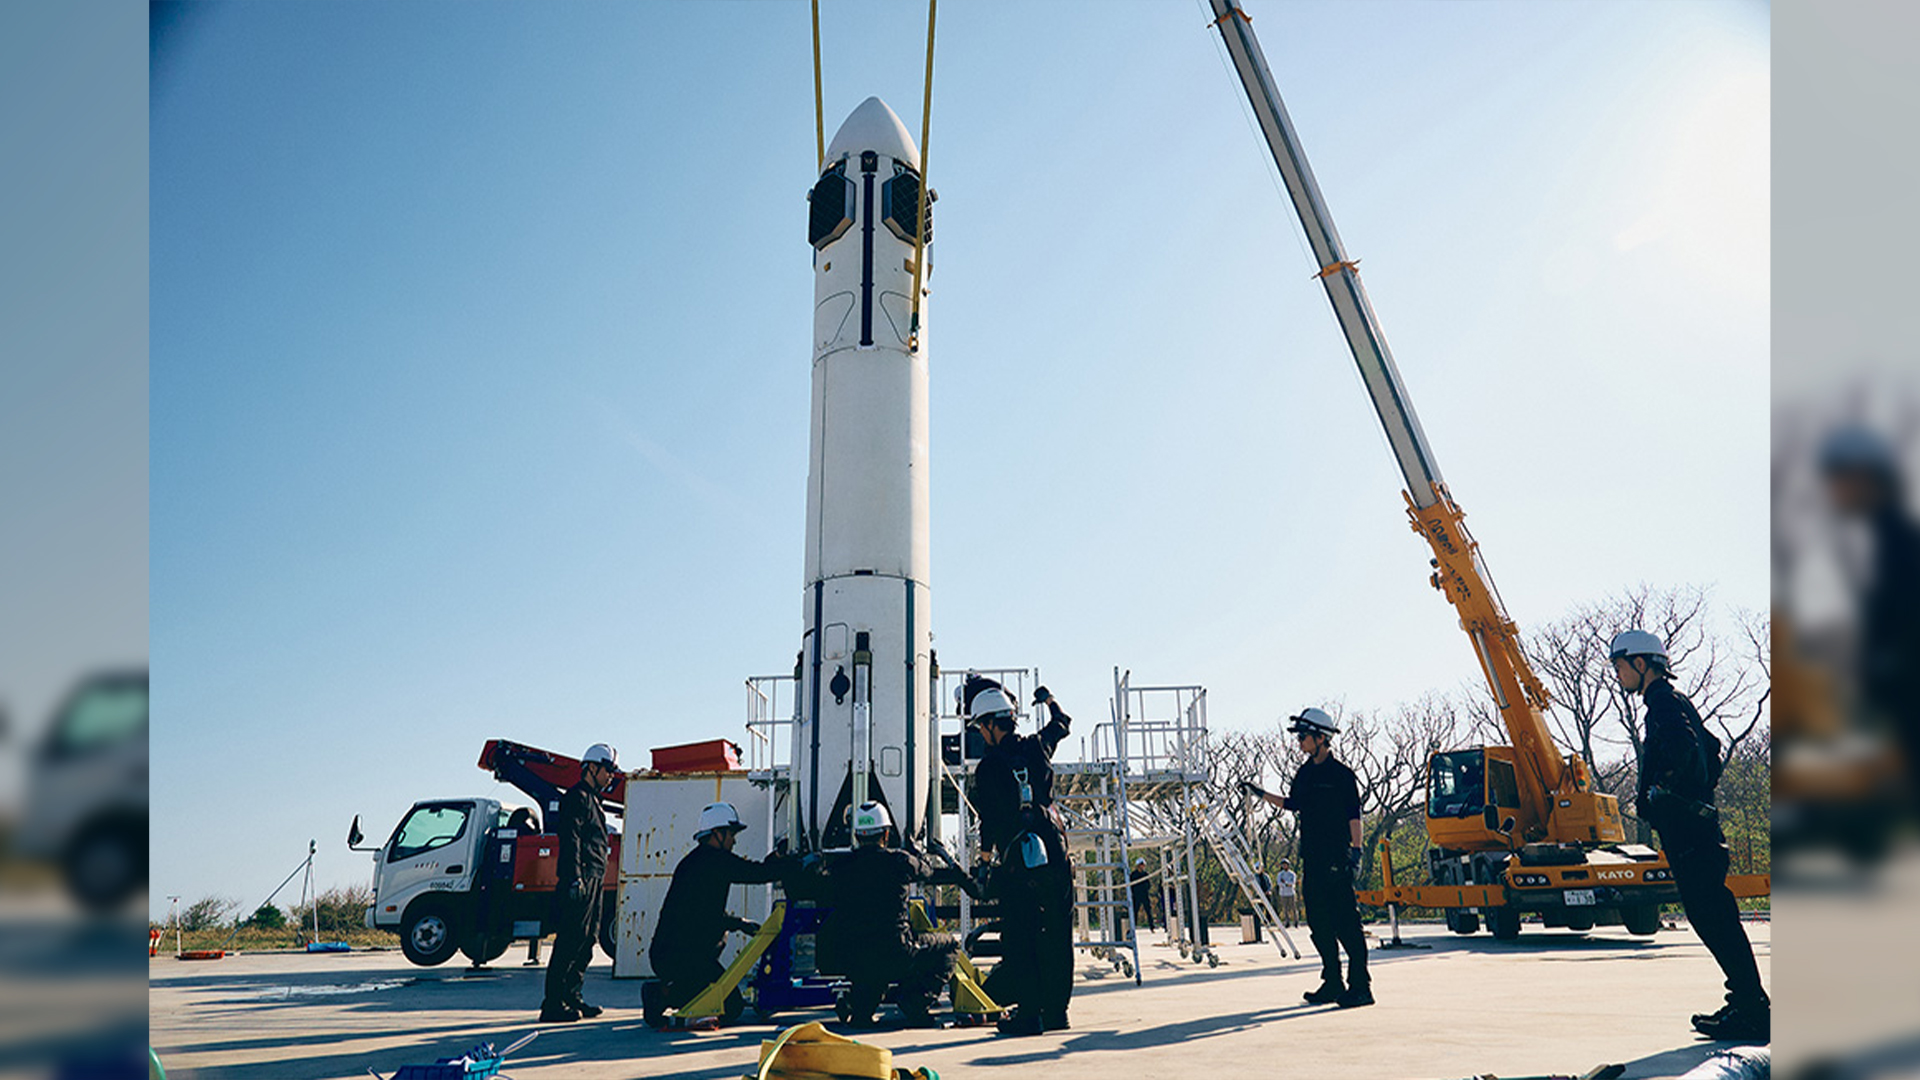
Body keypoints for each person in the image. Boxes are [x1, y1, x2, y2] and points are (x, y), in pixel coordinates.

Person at [1611, 630, 1770, 1043]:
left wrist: (1660, 792)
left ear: (1640, 664)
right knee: (1715, 916)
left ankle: (1753, 1011)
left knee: (1713, 918)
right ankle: (1747, 1003)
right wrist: (1696, 792)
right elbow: (1712, 747)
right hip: (1698, 828)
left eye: (1620, 665)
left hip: (1690, 833)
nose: (1618, 674)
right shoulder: (1673, 700)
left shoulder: (1661, 701)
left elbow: (1683, 745)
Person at [1240, 708, 1370, 1008]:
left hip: (1337, 857)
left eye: (1303, 736)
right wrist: (1259, 794)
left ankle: (1361, 987)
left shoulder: (1342, 776)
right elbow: (1293, 804)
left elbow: (1354, 815)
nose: (1299, 741)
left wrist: (1357, 851)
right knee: (1319, 923)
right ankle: (1333, 983)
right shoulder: (1305, 773)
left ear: (1321, 738)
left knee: (1347, 923)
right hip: (1312, 858)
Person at [967, 675, 1073, 1036]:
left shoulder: (989, 768)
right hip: (1056, 855)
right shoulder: (1037, 746)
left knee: (1022, 938)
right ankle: (1057, 1013)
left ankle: (1029, 1016)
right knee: (1058, 933)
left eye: (981, 727)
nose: (980, 735)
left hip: (1018, 863)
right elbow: (1062, 724)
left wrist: (982, 868)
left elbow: (989, 826)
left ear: (992, 724)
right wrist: (1049, 699)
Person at [815, 801, 979, 1028]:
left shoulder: (839, 867)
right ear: (886, 833)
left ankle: (862, 1008)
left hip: (853, 957)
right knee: (949, 946)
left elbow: (813, 886)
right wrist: (914, 852)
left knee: (868, 970)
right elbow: (927, 870)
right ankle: (915, 1000)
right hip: (896, 952)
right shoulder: (899, 861)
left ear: (857, 834)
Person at [643, 802, 790, 1028]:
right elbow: (756, 873)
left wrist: (778, 857)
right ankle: (662, 994)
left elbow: (704, 911)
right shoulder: (715, 862)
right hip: (681, 957)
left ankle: (669, 989)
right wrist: (792, 865)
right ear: (717, 834)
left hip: (677, 953)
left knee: (728, 1003)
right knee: (730, 1007)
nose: (734, 840)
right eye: (731, 834)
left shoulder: (696, 861)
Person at [539, 743, 619, 1023]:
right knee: (570, 940)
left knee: (588, 939)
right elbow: (571, 839)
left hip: (595, 878)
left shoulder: (595, 800)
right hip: (581, 878)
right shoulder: (577, 798)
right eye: (607, 770)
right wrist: (575, 878)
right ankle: (552, 1004)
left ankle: (572, 995)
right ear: (592, 768)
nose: (610, 776)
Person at [1128, 858, 1156, 932]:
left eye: (1143, 865)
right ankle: (1133, 926)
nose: (1142, 866)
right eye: (1141, 865)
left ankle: (1152, 927)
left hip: (1144, 895)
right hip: (1136, 895)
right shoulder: (1133, 875)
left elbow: (1148, 884)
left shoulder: (1145, 874)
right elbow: (1131, 886)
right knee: (1135, 911)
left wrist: (1145, 889)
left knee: (1148, 910)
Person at [1273, 859, 1299, 928]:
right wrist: (1286, 884)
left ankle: (1296, 921)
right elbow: (1279, 883)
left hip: (1291, 893)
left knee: (1293, 908)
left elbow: (1292, 883)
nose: (1284, 866)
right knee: (1285, 908)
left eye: (1285, 864)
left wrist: (1285, 883)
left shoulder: (1292, 874)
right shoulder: (1280, 874)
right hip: (1283, 893)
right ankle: (1287, 922)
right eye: (1283, 865)